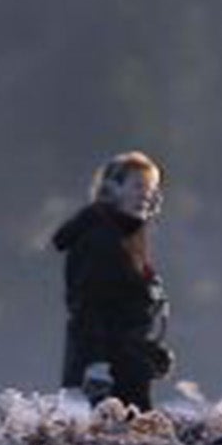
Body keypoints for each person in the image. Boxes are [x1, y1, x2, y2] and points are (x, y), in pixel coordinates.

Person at [51, 151, 174, 411]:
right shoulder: (98, 239)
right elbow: (87, 306)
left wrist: (148, 351)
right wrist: (96, 364)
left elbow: (127, 309)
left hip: (128, 367)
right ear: (112, 188)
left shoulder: (129, 235)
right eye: (137, 186)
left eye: (151, 188)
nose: (145, 194)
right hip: (104, 377)